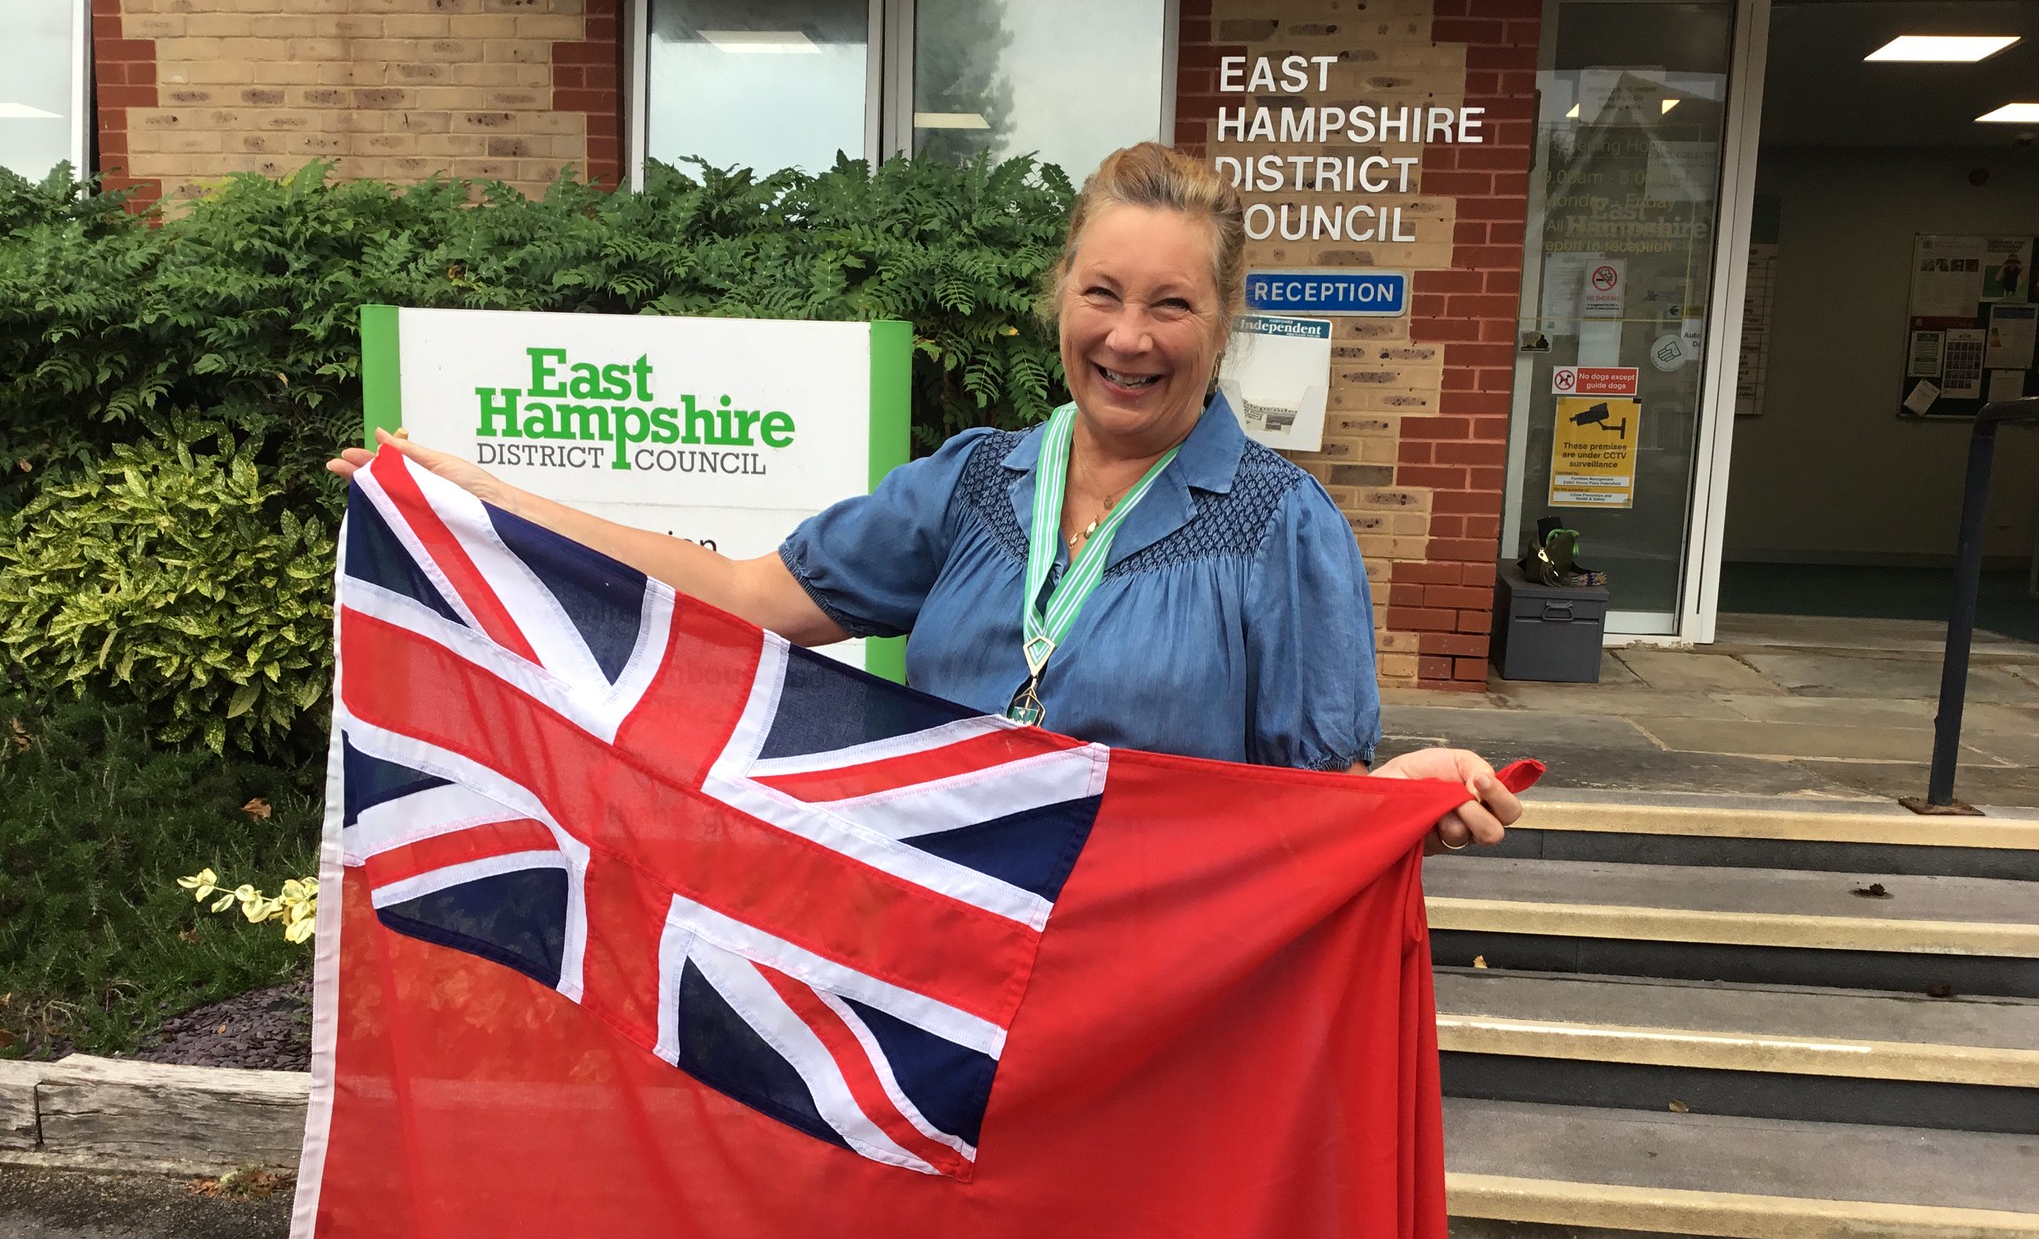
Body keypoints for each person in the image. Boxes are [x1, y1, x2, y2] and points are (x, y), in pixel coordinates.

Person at [328, 143, 1521, 850]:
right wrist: (485, 504)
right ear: (1060, 294)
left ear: (1224, 321)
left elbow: (1314, 822)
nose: (1128, 337)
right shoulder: (974, 483)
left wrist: (1391, 798)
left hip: (1156, 1011)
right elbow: (747, 594)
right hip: (939, 981)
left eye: (1171, 305)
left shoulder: (1276, 526)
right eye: (1101, 293)